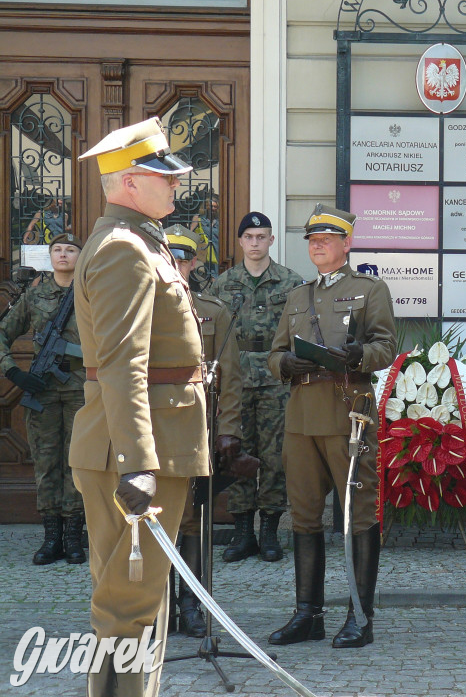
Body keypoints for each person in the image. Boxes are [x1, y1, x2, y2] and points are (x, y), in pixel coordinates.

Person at [71, 117, 209, 696]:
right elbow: (124, 363)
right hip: (134, 448)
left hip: (145, 442)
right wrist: (138, 462)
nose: (176, 186)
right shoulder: (124, 249)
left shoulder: (139, 240)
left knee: (132, 605)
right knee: (130, 608)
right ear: (128, 182)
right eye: (163, 177)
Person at [267, 204, 397, 649]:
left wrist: (358, 354)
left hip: (348, 412)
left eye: (325, 239)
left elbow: (386, 346)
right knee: (303, 515)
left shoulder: (369, 289)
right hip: (302, 415)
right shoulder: (296, 296)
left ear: (346, 244)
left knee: (357, 514)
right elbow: (273, 354)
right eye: (311, 240)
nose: (316, 245)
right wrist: (286, 361)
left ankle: (360, 616)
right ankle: (308, 614)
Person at [166, 225, 256, 637]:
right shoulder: (141, 308)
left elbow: (232, 380)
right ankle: (159, 606)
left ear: (196, 262)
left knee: (192, 521)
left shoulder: (214, 310)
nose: (180, 264)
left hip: (199, 430)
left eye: (186, 258)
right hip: (154, 429)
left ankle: (192, 604)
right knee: (156, 517)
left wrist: (229, 432)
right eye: (173, 257)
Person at [210, 211, 303, 563]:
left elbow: (302, 330)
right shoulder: (223, 284)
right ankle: (242, 531)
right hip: (234, 378)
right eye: (248, 237)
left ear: (271, 241)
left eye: (261, 237)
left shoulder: (291, 282)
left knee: (274, 455)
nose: (254, 243)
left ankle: (269, 530)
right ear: (240, 242)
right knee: (236, 451)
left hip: (276, 376)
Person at [0, 234, 86, 565]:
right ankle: (51, 537)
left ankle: (74, 537)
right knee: (47, 462)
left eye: (70, 250)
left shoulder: (91, 293)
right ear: (49, 256)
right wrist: (13, 373)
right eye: (57, 250)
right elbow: (3, 334)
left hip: (80, 388)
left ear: (81, 256)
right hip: (43, 389)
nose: (63, 255)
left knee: (76, 461)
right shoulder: (34, 296)